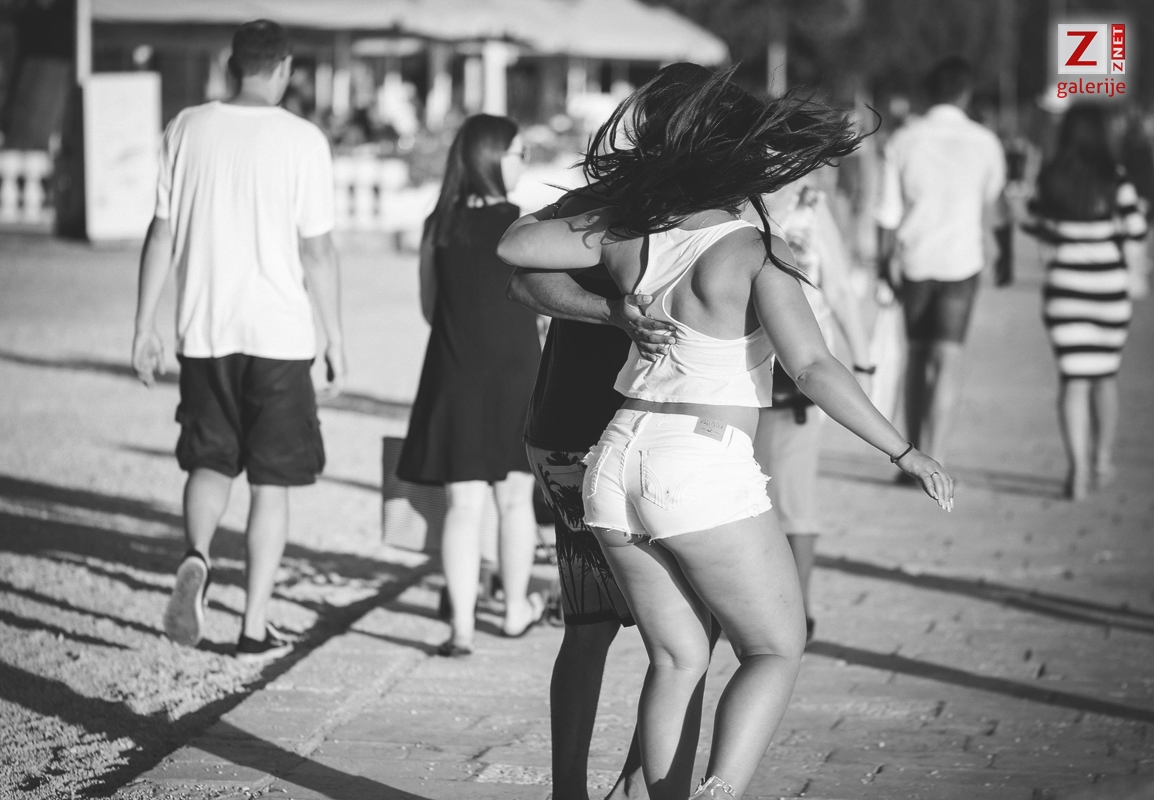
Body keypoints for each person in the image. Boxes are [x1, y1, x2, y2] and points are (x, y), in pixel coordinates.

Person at [499, 68, 953, 800]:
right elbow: (813, 368)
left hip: (615, 461)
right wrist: (903, 449)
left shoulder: (627, 232)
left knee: (677, 659)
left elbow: (516, 252)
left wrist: (614, 291)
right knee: (775, 648)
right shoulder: (756, 251)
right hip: (698, 465)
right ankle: (720, 791)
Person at [509, 63, 709, 800]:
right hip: (591, 434)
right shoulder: (613, 198)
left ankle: (615, 786)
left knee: (648, 633)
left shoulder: (698, 199)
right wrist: (609, 312)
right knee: (669, 631)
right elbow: (519, 266)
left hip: (620, 434)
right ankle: (590, 791)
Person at [131, 20, 345, 660]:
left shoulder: (186, 128)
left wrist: (143, 326)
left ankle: (197, 555)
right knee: (271, 484)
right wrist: (334, 337)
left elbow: (161, 232)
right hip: (279, 336)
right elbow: (318, 250)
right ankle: (252, 626)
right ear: (282, 68)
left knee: (208, 462)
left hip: (204, 331)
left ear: (233, 66)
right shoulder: (302, 139)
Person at [397, 114, 545, 657]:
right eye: (520, 153)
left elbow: (428, 307)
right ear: (493, 158)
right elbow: (541, 302)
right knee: (515, 499)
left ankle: (460, 628)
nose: (523, 164)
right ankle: (514, 610)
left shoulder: (438, 224)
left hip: (455, 370)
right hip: (516, 370)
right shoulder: (521, 225)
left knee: (462, 505)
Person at [875, 56, 1008, 466]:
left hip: (914, 260)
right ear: (965, 93)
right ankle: (938, 457)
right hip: (962, 261)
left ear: (929, 92)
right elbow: (992, 206)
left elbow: (888, 212)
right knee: (948, 359)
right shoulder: (985, 141)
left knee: (916, 357)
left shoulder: (903, 139)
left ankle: (912, 456)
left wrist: (884, 261)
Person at [759, 175, 873, 642]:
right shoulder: (727, 197)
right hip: (736, 370)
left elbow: (840, 289)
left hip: (796, 373)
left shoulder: (808, 204)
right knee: (748, 494)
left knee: (793, 496)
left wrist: (862, 361)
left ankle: (798, 609)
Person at [1023, 104, 1148, 499]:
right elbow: (1137, 230)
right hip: (1108, 290)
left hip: (1065, 289)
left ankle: (1076, 469)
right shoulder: (1115, 178)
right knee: (1105, 377)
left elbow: (1035, 222)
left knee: (1073, 379)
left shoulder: (1052, 176)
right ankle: (1102, 460)